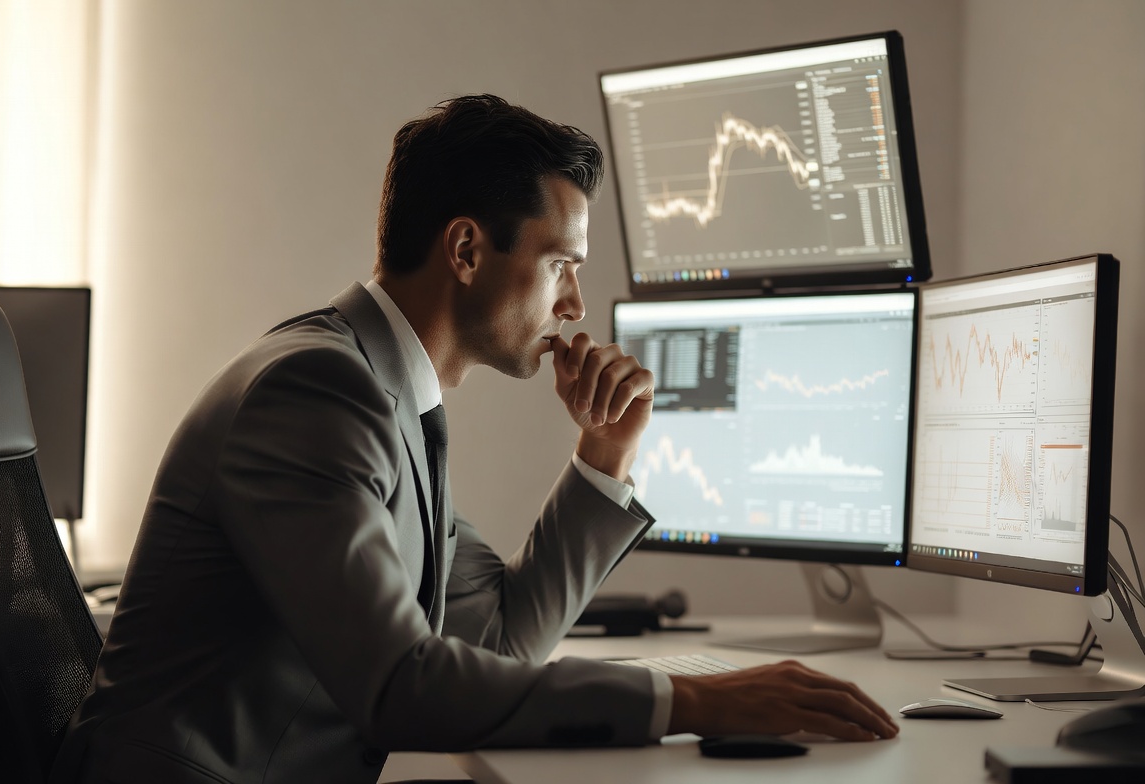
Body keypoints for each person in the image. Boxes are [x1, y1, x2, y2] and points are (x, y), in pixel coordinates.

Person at [50, 94, 897, 784]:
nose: (575, 304)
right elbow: (401, 687)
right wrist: (694, 703)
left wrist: (603, 456)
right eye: (562, 264)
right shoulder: (317, 396)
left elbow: (498, 643)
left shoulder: (383, 393)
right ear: (465, 249)